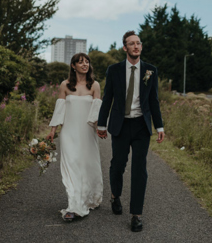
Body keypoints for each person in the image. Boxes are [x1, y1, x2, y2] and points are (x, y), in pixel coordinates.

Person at [97, 30, 165, 232]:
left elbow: (153, 101)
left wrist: (159, 126)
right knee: (118, 164)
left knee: (139, 169)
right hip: (120, 124)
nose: (136, 46)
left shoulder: (150, 70)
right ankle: (115, 195)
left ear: (141, 46)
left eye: (138, 43)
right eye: (131, 43)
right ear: (125, 47)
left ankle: (136, 214)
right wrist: (102, 124)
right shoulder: (114, 70)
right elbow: (108, 98)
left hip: (141, 126)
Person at [46, 53, 103, 222]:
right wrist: (52, 130)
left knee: (87, 166)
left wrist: (100, 128)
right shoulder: (65, 85)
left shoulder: (94, 85)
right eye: (80, 62)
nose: (84, 64)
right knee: (71, 168)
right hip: (68, 132)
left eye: (86, 62)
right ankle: (74, 206)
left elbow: (97, 111)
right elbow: (60, 109)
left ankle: (91, 197)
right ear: (73, 66)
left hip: (87, 132)